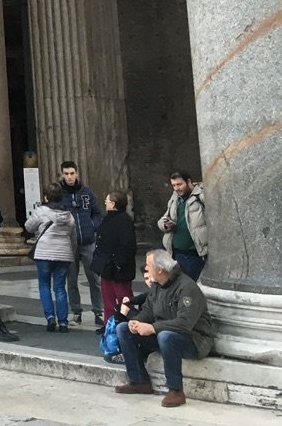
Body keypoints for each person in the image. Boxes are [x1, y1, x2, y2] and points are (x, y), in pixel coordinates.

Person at [114, 249, 214, 408]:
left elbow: (184, 323)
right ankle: (139, 380)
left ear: (160, 269)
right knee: (123, 329)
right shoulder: (157, 285)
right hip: (165, 333)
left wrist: (153, 328)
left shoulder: (187, 287)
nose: (146, 269)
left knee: (165, 336)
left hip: (195, 340)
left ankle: (176, 391)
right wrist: (136, 322)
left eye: (148, 265)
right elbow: (148, 310)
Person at [26, 182, 79, 332]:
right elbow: (73, 238)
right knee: (60, 288)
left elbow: (28, 226)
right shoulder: (69, 215)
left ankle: (50, 318)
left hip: (44, 252)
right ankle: (63, 322)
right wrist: (71, 252)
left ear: (45, 196)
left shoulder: (41, 211)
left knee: (44, 285)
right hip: (63, 254)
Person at [58, 160, 104, 326]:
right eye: (66, 174)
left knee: (94, 278)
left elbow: (97, 213)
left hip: (87, 240)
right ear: (62, 175)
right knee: (71, 279)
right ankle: (76, 312)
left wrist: (92, 226)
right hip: (68, 243)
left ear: (77, 173)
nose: (69, 177)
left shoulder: (87, 193)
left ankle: (99, 312)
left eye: (72, 173)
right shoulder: (60, 194)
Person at [90, 190, 137, 331]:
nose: (105, 202)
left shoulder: (124, 220)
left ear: (114, 203)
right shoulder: (108, 218)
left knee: (124, 299)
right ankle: (108, 325)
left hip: (118, 267)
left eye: (107, 200)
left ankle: (128, 324)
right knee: (108, 299)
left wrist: (118, 263)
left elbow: (128, 245)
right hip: (106, 266)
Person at [157, 170, 208, 281]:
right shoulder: (175, 198)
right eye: (174, 185)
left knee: (190, 287)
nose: (176, 188)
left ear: (189, 182)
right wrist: (165, 225)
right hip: (175, 253)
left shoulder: (201, 196)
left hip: (194, 254)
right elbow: (162, 219)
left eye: (179, 184)